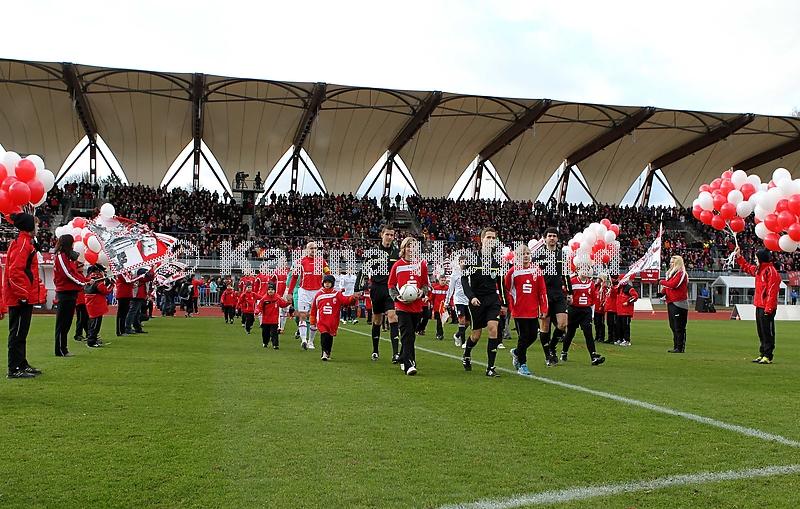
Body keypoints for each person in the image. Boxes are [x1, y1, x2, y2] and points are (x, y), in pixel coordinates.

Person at [461, 227, 507, 377]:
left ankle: (490, 368)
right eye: (488, 237)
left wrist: (504, 303)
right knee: (476, 335)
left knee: (493, 328)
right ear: (481, 240)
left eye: (493, 238)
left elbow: (501, 284)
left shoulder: (497, 261)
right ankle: (467, 353)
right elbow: (464, 280)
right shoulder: (472, 259)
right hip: (477, 300)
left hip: (492, 300)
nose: (491, 240)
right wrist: (471, 297)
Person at [5, 213, 42, 378]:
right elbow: (15, 272)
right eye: (36, 224)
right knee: (17, 333)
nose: (38, 227)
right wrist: (23, 294)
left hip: (23, 295)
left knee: (21, 332)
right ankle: (14, 368)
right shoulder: (23, 244)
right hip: (20, 297)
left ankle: (21, 363)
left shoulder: (25, 242)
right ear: (29, 226)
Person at [504, 244, 549, 376]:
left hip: (533, 310)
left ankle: (517, 352)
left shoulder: (536, 270)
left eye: (527, 254)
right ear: (517, 257)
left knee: (533, 336)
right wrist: (511, 306)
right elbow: (507, 290)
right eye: (522, 254)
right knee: (523, 337)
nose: (525, 256)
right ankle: (522, 364)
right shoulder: (512, 272)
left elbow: (542, 290)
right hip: (519, 311)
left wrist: (544, 307)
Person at [387, 237, 429, 375]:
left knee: (411, 334)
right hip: (402, 306)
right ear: (403, 249)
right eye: (409, 246)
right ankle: (409, 364)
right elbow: (391, 285)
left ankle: (403, 356)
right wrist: (397, 297)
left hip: (416, 306)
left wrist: (421, 292)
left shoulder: (421, 264)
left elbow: (425, 284)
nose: (411, 249)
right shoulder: (397, 265)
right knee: (407, 335)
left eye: (414, 247)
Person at [736, 247, 781, 364]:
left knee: (767, 331)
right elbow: (747, 267)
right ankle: (763, 353)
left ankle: (768, 355)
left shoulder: (771, 272)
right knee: (761, 331)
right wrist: (739, 257)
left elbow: (772, 292)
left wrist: (769, 308)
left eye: (756, 258)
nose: (755, 260)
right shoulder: (759, 270)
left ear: (761, 259)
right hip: (760, 305)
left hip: (766, 307)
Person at [286, 241, 330, 350]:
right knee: (303, 316)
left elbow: (328, 275)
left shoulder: (322, 262)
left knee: (314, 318)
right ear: (307, 249)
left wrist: (329, 290)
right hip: (304, 292)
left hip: (317, 292)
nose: (313, 250)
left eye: (315, 248)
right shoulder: (300, 262)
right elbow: (294, 278)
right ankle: (304, 340)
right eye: (311, 248)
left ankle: (311, 341)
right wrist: (290, 292)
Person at [560, 265, 606, 365]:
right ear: (578, 270)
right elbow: (564, 293)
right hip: (574, 310)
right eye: (583, 269)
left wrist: (592, 314)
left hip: (586, 311)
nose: (585, 271)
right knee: (570, 333)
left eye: (586, 269)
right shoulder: (572, 281)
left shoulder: (591, 284)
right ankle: (564, 352)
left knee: (588, 333)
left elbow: (593, 300)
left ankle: (593, 356)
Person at [367, 225, 401, 362]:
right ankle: (375, 350)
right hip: (377, 289)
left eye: (392, 235)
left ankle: (395, 353)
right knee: (377, 320)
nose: (389, 237)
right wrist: (358, 288)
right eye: (387, 234)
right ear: (382, 235)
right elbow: (364, 270)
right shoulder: (373, 252)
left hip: (391, 289)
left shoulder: (397, 253)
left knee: (393, 317)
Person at [310, 274, 361, 361]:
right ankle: (324, 352)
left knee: (330, 337)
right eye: (325, 282)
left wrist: (353, 298)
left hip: (333, 321)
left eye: (329, 282)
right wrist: (312, 321)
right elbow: (314, 309)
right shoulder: (319, 294)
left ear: (332, 283)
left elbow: (345, 301)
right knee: (324, 335)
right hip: (322, 321)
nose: (327, 284)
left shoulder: (337, 294)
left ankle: (328, 352)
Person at [53, 234, 89, 357]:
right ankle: (60, 349)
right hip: (65, 293)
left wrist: (86, 280)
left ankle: (63, 348)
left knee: (66, 323)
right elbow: (67, 274)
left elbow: (74, 273)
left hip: (70, 292)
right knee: (62, 323)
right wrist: (83, 283)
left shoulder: (67, 258)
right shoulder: (61, 256)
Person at [538, 227, 568, 365]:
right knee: (545, 326)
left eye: (554, 236)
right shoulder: (538, 255)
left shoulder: (562, 255)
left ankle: (552, 347)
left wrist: (570, 292)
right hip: (544, 294)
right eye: (549, 236)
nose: (552, 238)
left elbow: (566, 274)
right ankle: (548, 356)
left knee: (562, 323)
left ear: (557, 238)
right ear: (545, 238)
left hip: (558, 293)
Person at [660, 255, 689, 353]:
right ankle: (676, 346)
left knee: (679, 327)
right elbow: (668, 286)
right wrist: (662, 292)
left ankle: (680, 347)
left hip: (679, 303)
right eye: (671, 262)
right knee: (673, 326)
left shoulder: (681, 274)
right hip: (671, 301)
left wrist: (662, 282)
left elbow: (673, 285)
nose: (671, 264)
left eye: (673, 262)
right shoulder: (672, 274)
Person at [84, 265, 114, 348]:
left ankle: (92, 339)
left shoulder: (89, 278)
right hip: (96, 304)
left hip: (91, 303)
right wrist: (111, 284)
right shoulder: (98, 281)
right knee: (96, 324)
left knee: (92, 323)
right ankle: (92, 341)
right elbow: (106, 291)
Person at [445, 254, 470, 347]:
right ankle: (463, 342)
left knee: (468, 322)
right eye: (462, 262)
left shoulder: (470, 273)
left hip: (468, 300)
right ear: (459, 263)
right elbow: (450, 289)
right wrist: (447, 302)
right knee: (462, 320)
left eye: (465, 262)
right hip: (459, 300)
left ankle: (457, 335)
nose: (464, 264)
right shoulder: (455, 274)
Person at [256, 282, 289, 349]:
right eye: (269, 289)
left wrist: (288, 303)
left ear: (275, 290)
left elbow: (283, 304)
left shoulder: (277, 298)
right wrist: (257, 311)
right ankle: (265, 343)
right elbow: (259, 306)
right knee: (265, 333)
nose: (270, 291)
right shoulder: (264, 298)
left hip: (274, 320)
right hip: (265, 320)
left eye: (272, 289)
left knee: (274, 333)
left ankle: (275, 345)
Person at [125, 268, 154, 335]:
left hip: (139, 295)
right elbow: (149, 277)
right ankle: (128, 327)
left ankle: (137, 327)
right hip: (137, 295)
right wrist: (153, 269)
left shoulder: (138, 275)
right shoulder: (140, 276)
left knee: (136, 313)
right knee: (133, 312)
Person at [615, 280, 638, 347]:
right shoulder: (619, 288)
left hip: (626, 312)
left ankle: (627, 340)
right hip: (619, 311)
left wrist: (628, 302)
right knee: (619, 326)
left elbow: (635, 297)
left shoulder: (629, 288)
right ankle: (621, 339)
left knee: (625, 327)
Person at [430, 274, 449, 340]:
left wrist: (451, 305)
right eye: (442, 280)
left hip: (444, 308)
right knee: (439, 321)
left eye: (444, 280)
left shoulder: (447, 288)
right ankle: (439, 334)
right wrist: (430, 302)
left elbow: (450, 298)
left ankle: (440, 333)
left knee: (443, 321)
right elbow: (432, 297)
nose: (443, 282)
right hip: (437, 308)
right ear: (439, 280)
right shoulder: (435, 288)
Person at [593, 274, 608, 344]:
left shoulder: (604, 288)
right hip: (595, 308)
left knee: (601, 323)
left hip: (600, 308)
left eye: (598, 278)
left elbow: (604, 298)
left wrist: (601, 305)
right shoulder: (596, 287)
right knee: (596, 323)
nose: (597, 279)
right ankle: (597, 336)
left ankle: (601, 337)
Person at [605, 277, 619, 343]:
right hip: (609, 309)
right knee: (609, 324)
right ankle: (610, 338)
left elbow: (613, 293)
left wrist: (612, 286)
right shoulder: (610, 289)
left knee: (614, 324)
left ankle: (614, 338)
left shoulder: (615, 288)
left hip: (613, 309)